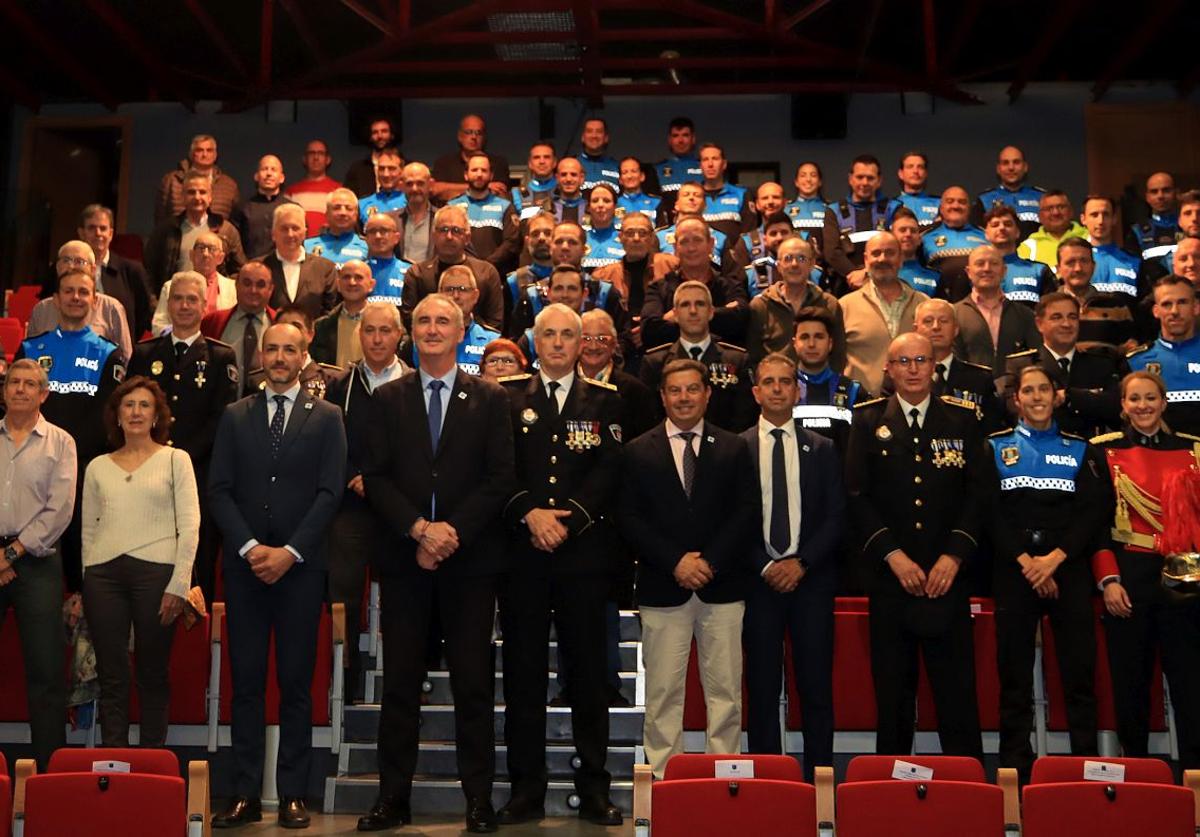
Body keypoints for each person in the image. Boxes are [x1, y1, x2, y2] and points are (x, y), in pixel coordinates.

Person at [357, 294, 514, 833]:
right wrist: (420, 531)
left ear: (461, 328)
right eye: (422, 320)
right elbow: (374, 478)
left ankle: (478, 801)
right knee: (400, 684)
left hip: (470, 564)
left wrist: (452, 533)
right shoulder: (386, 399)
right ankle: (391, 799)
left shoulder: (491, 398)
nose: (431, 328)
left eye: (442, 320)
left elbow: (500, 478)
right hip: (405, 561)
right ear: (410, 332)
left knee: (473, 684)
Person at [208, 322, 347, 830]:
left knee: (295, 684)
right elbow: (219, 489)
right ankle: (243, 793)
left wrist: (288, 552)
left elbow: (331, 494)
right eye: (273, 348)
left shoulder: (328, 417)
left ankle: (293, 794)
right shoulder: (235, 415)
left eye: (291, 349)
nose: (281, 356)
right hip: (245, 572)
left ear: (304, 355)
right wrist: (250, 549)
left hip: (301, 570)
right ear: (260, 356)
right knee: (244, 683)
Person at [495, 303, 624, 827]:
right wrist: (531, 515)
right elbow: (497, 467)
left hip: (583, 557)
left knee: (589, 676)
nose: (557, 344)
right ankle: (526, 790)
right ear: (534, 339)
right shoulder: (505, 398)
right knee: (524, 676)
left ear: (582, 343)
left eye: (568, 335)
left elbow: (611, 470)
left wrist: (567, 520)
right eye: (547, 334)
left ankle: (594, 788)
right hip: (523, 557)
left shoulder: (606, 401)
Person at [844, 332, 984, 760]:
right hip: (892, 581)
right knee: (893, 695)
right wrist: (893, 555)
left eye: (921, 360)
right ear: (888, 368)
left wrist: (954, 555)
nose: (913, 369)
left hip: (948, 579)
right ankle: (890, 796)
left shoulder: (962, 420)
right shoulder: (867, 421)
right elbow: (856, 495)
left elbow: (979, 494)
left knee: (957, 695)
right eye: (903, 361)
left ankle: (969, 791)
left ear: (934, 366)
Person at [619, 358, 758, 778]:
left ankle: (726, 780)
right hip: (663, 586)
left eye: (692, 389)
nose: (684, 398)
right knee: (662, 694)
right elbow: (629, 518)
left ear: (707, 393)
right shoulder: (637, 451)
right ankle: (664, 781)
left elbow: (747, 512)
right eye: (675, 391)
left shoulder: (734, 447)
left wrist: (709, 562)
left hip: (723, 587)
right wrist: (676, 561)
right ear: (662, 396)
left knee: (726, 694)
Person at [984, 364, 1109, 782]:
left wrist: (1054, 560)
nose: (1036, 397)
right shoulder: (995, 447)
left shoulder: (1081, 449)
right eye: (1028, 391)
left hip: (1067, 570)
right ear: (1015, 399)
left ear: (1056, 396)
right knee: (1013, 677)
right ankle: (1015, 770)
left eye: (1044, 390)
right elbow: (990, 515)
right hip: (1014, 570)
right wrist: (1028, 564)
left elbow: (1093, 513)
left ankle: (1086, 768)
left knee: (1079, 675)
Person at [82, 376, 200, 748]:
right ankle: (113, 762)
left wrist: (179, 584)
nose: (135, 412)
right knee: (112, 675)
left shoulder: (175, 459)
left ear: (157, 416)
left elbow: (191, 525)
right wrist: (87, 578)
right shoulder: (97, 466)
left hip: (157, 574)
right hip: (103, 577)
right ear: (116, 416)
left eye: (144, 405)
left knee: (151, 672)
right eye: (128, 405)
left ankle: (152, 762)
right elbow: (87, 531)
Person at [1090, 371, 1200, 769]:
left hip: (1185, 579)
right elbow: (1096, 526)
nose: (1143, 406)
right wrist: (1109, 580)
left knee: (1191, 685)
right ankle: (1135, 772)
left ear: (1164, 402)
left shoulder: (1194, 451)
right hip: (1129, 577)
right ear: (1122, 406)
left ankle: (1195, 776)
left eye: (1150, 398)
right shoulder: (1103, 451)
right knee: (1130, 684)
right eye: (1134, 399)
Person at [741, 353, 844, 778]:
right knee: (762, 689)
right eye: (770, 381)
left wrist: (801, 562)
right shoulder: (737, 447)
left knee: (816, 688)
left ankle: (819, 779)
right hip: (757, 584)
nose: (779, 388)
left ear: (798, 390)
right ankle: (768, 780)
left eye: (786, 381)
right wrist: (766, 566)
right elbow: (730, 520)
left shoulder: (823, 448)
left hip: (811, 583)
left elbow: (836, 517)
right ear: (756, 391)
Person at [129, 271, 239, 603]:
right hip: (147, 470)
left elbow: (222, 417)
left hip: (198, 473)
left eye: (192, 299)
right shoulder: (146, 353)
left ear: (205, 305)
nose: (185, 305)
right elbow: (130, 409)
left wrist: (180, 457)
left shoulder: (221, 357)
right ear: (168, 303)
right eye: (178, 298)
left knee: (198, 560)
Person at [16, 269, 125, 591]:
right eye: (68, 291)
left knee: (81, 553)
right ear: (56, 298)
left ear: (94, 300)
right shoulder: (31, 350)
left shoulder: (108, 352)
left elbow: (109, 417)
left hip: (86, 469)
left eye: (83, 292)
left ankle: (79, 613)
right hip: (32, 466)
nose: (76, 297)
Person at [325, 302, 410, 702]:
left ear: (399, 336)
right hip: (353, 503)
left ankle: (407, 676)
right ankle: (345, 679)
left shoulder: (415, 381)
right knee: (340, 587)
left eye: (385, 331)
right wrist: (355, 478)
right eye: (369, 331)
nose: (377, 338)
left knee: (407, 591)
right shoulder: (341, 385)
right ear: (359, 336)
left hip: (401, 505)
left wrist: (382, 484)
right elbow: (331, 442)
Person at [0, 359, 77, 769]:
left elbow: (59, 510)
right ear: (4, 389)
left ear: (44, 394)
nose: (21, 390)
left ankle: (51, 774)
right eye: (14, 382)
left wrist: (11, 554)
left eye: (31, 384)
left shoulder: (61, 442)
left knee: (46, 673)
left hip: (37, 562)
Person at [1004, 292, 1126, 439]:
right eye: (1057, 317)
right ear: (1039, 324)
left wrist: (1069, 397)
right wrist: (1089, 402)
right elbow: (1012, 411)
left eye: (1072, 317)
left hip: (1089, 452)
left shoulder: (1101, 364)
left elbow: (1116, 409)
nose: (1066, 324)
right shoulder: (1021, 365)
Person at [640, 280, 756, 432]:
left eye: (700, 304)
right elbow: (650, 421)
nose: (693, 311)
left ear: (711, 312)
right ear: (674, 315)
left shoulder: (737, 361)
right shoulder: (655, 363)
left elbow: (744, 419)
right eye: (685, 305)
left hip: (725, 450)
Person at [840, 232, 928, 396]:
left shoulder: (923, 305)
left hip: (913, 405)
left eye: (890, 253)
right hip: (861, 408)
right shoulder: (845, 306)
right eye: (876, 253)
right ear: (866, 260)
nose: (882, 259)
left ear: (901, 259)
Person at [641, 216, 749, 347]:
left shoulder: (731, 286)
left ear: (711, 244)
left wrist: (675, 317)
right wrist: (721, 313)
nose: (691, 248)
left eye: (697, 240)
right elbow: (649, 332)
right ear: (675, 248)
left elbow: (741, 322)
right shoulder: (658, 288)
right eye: (684, 242)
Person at [401, 205, 504, 333]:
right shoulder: (417, 274)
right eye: (443, 230)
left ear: (467, 238)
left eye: (456, 230)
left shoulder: (487, 273)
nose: (449, 236)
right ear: (434, 236)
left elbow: (495, 323)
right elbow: (410, 320)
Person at [746, 235, 844, 370]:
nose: (794, 264)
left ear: (812, 265)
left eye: (801, 258)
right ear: (779, 266)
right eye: (788, 258)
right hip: (777, 387)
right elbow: (754, 358)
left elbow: (838, 356)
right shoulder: (760, 306)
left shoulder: (829, 304)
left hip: (820, 386)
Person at [145, 168, 246, 294]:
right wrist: (155, 304)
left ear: (210, 197)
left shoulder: (226, 230)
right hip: (176, 303)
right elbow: (148, 272)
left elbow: (240, 271)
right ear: (182, 197)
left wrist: (224, 292)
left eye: (202, 192)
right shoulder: (165, 230)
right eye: (191, 192)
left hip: (216, 306)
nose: (197, 197)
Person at [29, 241, 133, 363]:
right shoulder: (41, 309)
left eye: (79, 261)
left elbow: (126, 360)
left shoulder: (111, 308)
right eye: (66, 260)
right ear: (57, 267)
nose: (72, 266)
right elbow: (31, 358)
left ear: (93, 269)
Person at [1126, 275, 1200, 434]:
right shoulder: (1135, 362)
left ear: (1196, 307)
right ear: (1156, 311)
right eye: (1167, 304)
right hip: (1157, 454)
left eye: (1182, 302)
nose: (1174, 311)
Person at [953, 245, 1041, 374]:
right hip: (971, 391)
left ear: (1004, 271)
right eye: (980, 264)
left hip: (1014, 391)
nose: (987, 268)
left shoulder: (1025, 314)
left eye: (994, 263)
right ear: (968, 272)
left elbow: (1036, 357)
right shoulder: (954, 314)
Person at [791, 306, 865, 451]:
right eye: (805, 337)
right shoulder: (782, 389)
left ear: (830, 343)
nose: (811, 344)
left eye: (819, 337)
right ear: (794, 343)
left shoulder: (853, 391)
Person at [77, 203, 154, 339]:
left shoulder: (132, 271)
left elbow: (144, 315)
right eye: (92, 228)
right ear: (81, 233)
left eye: (103, 228)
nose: (98, 233)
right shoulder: (67, 269)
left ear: (111, 234)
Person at [201, 261, 276, 396]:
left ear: (271, 290)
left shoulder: (280, 325)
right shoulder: (212, 322)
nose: (253, 290)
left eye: (260, 285)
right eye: (247, 283)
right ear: (236, 285)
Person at [821, 154, 891, 289]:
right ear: (850, 179)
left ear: (879, 181)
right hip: (846, 284)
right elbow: (831, 253)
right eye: (860, 177)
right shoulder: (833, 211)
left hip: (884, 283)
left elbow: (898, 249)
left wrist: (866, 274)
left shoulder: (892, 209)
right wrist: (854, 275)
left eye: (870, 178)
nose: (864, 182)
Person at [1057, 237, 1137, 351]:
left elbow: (1130, 350)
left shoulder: (1116, 306)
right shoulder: (1047, 308)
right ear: (1058, 269)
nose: (1078, 268)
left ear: (1093, 266)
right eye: (1070, 262)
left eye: (1084, 261)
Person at [261, 203, 339, 319]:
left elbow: (330, 312)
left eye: (295, 228)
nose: (290, 234)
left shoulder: (325, 268)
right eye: (284, 228)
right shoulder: (260, 266)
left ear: (304, 233)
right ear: (273, 234)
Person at [151, 233, 237, 335]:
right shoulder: (171, 286)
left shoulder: (233, 288)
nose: (205, 254)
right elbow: (159, 325)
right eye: (201, 248)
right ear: (191, 255)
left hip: (220, 345)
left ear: (221, 258)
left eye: (212, 249)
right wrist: (180, 336)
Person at [448, 154, 519, 272]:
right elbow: (447, 241)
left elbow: (511, 243)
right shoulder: (452, 206)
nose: (479, 174)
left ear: (491, 175)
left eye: (484, 170)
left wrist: (487, 265)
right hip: (459, 272)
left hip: (495, 273)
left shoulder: (505, 206)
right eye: (474, 170)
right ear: (466, 175)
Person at [155, 133, 240, 224]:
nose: (204, 154)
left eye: (209, 150)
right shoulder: (172, 181)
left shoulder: (229, 185)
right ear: (191, 154)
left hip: (217, 236)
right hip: (179, 235)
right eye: (199, 150)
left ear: (215, 155)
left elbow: (235, 221)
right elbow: (160, 218)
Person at [920, 186, 988, 298]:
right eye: (950, 201)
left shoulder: (986, 236)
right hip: (939, 305)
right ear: (941, 208)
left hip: (978, 305)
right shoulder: (924, 237)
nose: (956, 206)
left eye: (962, 202)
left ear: (969, 208)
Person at [982, 204, 1055, 306]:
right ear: (986, 234)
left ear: (1017, 232)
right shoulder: (975, 271)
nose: (1002, 228)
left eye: (1008, 224)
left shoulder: (1039, 270)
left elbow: (1054, 308)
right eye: (995, 225)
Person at [431, 114, 511, 203]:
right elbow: (437, 190)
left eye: (478, 133)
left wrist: (452, 189)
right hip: (452, 213)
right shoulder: (444, 163)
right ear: (460, 136)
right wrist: (482, 186)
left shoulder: (498, 163)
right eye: (468, 132)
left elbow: (500, 193)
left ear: (484, 138)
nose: (473, 137)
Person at [231, 154, 298, 259]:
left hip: (285, 267)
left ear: (282, 178)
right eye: (264, 169)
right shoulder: (242, 208)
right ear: (256, 176)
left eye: (273, 169)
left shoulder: (293, 209)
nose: (269, 174)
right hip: (250, 268)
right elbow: (234, 243)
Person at [311, 259, 376, 368]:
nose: (352, 282)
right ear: (338, 284)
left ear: (371, 284)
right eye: (346, 277)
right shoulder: (321, 327)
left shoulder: (386, 324)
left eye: (358, 277)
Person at [972, 145, 1043, 238]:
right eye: (1005, 163)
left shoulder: (1042, 197)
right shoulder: (984, 200)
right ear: (998, 169)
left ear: (1025, 167)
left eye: (1016, 162)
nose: (1011, 167)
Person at [1082, 195, 1145, 300]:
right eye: (1094, 215)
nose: (1100, 221)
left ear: (1114, 219)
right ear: (1083, 219)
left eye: (1106, 215)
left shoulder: (1134, 261)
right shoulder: (1077, 262)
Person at [284, 139, 340, 237]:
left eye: (321, 153)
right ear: (304, 159)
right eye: (311, 153)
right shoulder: (291, 192)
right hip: (300, 248)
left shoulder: (339, 191)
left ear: (328, 159)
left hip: (330, 247)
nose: (316, 157)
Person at [1018, 190, 1088, 269]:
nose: (1056, 213)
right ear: (1040, 216)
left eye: (1061, 207)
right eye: (1049, 209)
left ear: (1071, 211)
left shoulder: (1089, 238)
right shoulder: (1028, 248)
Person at [698, 143, 754, 240]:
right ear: (700, 166)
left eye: (715, 159)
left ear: (724, 164)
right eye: (705, 159)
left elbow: (750, 234)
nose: (710, 164)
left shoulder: (742, 194)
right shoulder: (693, 196)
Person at [303, 188, 369, 265]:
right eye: (336, 208)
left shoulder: (367, 246)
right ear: (327, 214)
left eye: (349, 208)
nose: (343, 213)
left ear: (356, 214)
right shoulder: (307, 245)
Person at [362, 213, 413, 310]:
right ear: (366, 239)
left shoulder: (411, 272)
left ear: (396, 238)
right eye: (372, 231)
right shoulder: (358, 272)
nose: (378, 236)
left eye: (384, 231)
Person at [1126, 171, 1179, 260]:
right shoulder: (1137, 232)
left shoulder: (1189, 227)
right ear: (1147, 197)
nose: (1160, 196)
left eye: (1166, 190)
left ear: (1176, 193)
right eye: (1154, 192)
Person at [343, 117, 400, 198]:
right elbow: (348, 198)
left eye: (384, 131)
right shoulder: (357, 168)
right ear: (370, 137)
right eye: (375, 132)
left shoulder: (406, 165)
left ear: (392, 135)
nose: (380, 136)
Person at [893, 207, 941, 297]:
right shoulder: (881, 273)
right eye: (902, 230)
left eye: (913, 231)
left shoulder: (935, 277)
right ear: (891, 237)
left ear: (919, 239)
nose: (908, 234)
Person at [653, 116, 703, 199]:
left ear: (693, 138)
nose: (680, 140)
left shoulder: (705, 167)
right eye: (675, 136)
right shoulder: (657, 170)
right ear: (669, 140)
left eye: (685, 135)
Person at [396, 162, 436, 263]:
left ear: (430, 184)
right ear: (401, 187)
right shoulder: (390, 220)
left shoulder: (443, 218)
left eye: (420, 183)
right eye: (409, 184)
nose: (414, 189)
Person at [358, 147, 408, 228]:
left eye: (391, 168)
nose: (386, 174)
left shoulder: (411, 202)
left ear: (402, 171)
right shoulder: (362, 204)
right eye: (381, 169)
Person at [889, 151, 941, 228]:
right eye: (910, 167)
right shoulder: (890, 205)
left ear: (926, 173)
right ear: (901, 173)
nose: (915, 171)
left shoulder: (941, 203)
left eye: (920, 167)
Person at [582, 183, 625, 271]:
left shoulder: (625, 240)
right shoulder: (580, 239)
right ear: (589, 207)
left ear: (615, 207)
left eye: (606, 201)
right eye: (595, 201)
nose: (600, 205)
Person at [512, 141, 558, 218]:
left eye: (546, 157)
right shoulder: (516, 194)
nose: (542, 161)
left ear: (554, 162)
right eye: (536, 157)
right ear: (530, 163)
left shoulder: (565, 191)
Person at [784, 161, 827, 240]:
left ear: (820, 182)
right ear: (796, 182)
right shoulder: (785, 209)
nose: (808, 179)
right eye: (803, 175)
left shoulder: (830, 208)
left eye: (813, 175)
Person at [616, 155, 661, 225]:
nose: (629, 176)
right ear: (620, 179)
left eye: (634, 171)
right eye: (625, 172)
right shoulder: (613, 204)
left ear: (642, 176)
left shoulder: (657, 202)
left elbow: (663, 231)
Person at [576, 116, 620, 190]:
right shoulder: (571, 165)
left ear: (606, 138)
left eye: (599, 131)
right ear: (583, 137)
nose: (594, 136)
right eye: (589, 131)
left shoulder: (618, 167)